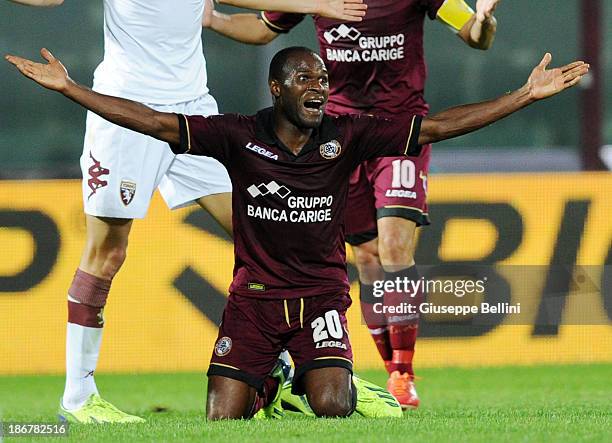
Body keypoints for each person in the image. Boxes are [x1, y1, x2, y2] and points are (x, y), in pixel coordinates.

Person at [6, 45, 587, 419]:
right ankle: (268, 384)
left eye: (323, 78)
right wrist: (70, 89)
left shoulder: (348, 134)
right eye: (305, 77)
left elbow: (433, 126)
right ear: (276, 88)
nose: (318, 86)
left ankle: (327, 380)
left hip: (321, 302)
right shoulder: (236, 135)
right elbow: (156, 122)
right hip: (253, 306)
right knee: (223, 420)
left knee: (334, 406)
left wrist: (524, 96)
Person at [5, 0, 367, 424]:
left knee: (263, 230)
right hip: (125, 111)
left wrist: (316, 5)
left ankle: (295, 366)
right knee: (108, 252)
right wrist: (319, 5)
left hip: (191, 110)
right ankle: (78, 396)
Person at [202, 0, 501, 408]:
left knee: (395, 244)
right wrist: (211, 19)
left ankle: (402, 374)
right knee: (366, 256)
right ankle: (384, 368)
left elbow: (474, 35)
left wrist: (483, 21)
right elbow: (263, 29)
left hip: (397, 130)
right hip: (338, 137)